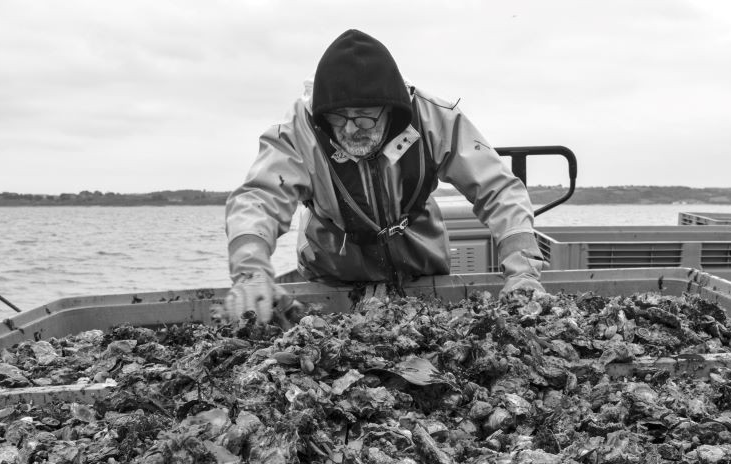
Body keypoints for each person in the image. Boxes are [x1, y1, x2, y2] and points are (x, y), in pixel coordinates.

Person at [221, 28, 547, 324]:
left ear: (390, 110)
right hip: (332, 272)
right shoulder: (297, 132)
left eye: (364, 119)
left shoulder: (432, 118)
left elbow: (497, 187)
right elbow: (259, 198)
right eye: (339, 119)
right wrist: (251, 269)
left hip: (420, 264)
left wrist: (522, 270)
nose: (351, 130)